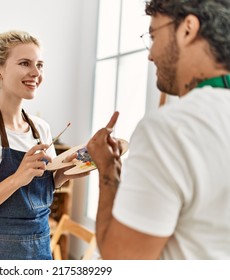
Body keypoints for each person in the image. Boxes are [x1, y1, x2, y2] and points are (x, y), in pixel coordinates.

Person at [87, 0, 230, 260]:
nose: (150, 54)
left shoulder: (170, 128)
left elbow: (122, 262)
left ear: (188, 28)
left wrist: (108, 172)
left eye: (153, 35)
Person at [0, 30, 84, 260]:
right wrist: (16, 179)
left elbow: (42, 190)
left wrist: (65, 173)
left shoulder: (41, 129)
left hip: (40, 252)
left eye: (40, 65)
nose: (36, 73)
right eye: (25, 63)